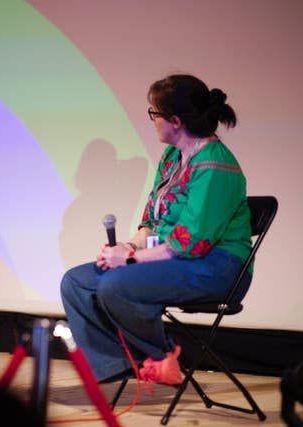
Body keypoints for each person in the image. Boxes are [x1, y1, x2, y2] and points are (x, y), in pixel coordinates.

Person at [60, 74, 252, 386]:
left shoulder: (215, 166)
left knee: (115, 285)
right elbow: (151, 220)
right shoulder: (172, 157)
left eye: (155, 113)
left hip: (217, 266)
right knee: (76, 283)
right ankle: (121, 364)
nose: (152, 121)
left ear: (175, 120)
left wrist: (131, 262)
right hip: (176, 260)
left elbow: (191, 244)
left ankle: (162, 356)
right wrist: (127, 249)